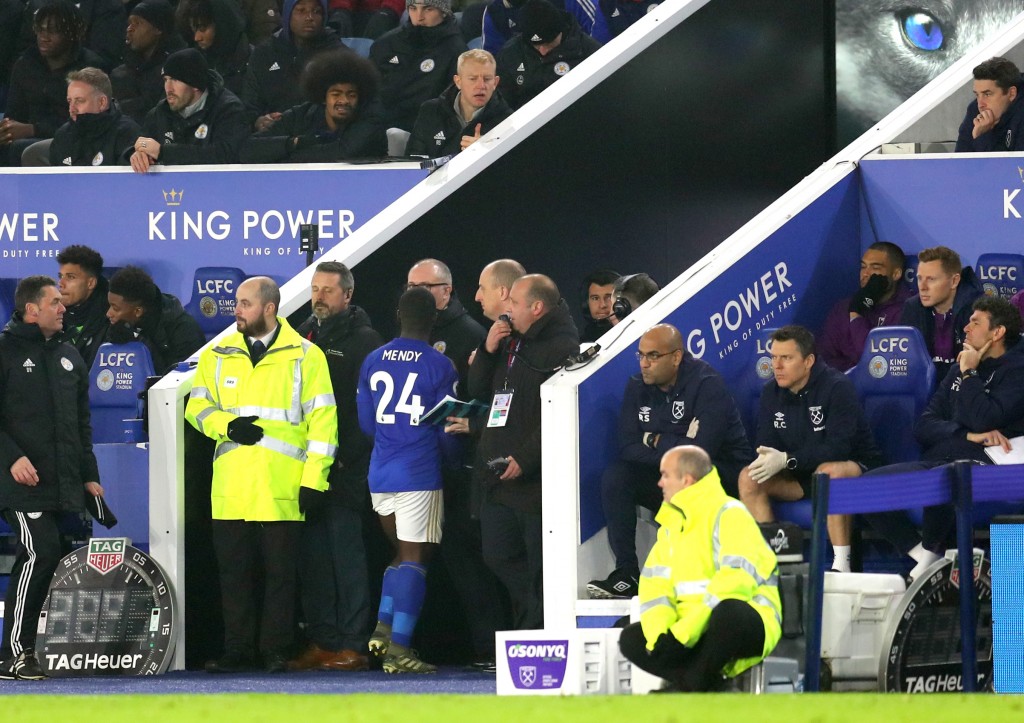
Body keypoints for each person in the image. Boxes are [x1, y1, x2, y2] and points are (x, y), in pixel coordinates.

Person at [186, 276, 337, 673]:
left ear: (270, 308)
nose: (236, 309)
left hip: (281, 487)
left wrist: (314, 480)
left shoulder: (306, 355)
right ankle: (237, 650)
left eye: (245, 303)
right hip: (232, 488)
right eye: (237, 302)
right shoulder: (217, 353)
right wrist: (226, 425)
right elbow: (196, 407)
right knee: (233, 577)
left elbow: (323, 422)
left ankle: (276, 649)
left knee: (281, 579)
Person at [587, 323, 753, 599]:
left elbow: (700, 454)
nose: (644, 364)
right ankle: (627, 573)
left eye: (653, 356)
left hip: (721, 477)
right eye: (640, 355)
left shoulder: (707, 384)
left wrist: (653, 439)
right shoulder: (637, 386)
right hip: (671, 473)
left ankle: (690, 576)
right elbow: (628, 447)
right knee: (617, 476)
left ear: (676, 357)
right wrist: (676, 442)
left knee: (687, 478)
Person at [865, 296, 1024, 581]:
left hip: (992, 469)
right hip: (944, 456)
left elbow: (985, 417)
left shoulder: (1016, 370)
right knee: (866, 487)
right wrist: (965, 434)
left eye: (975, 323)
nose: (965, 328)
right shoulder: (956, 369)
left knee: (946, 477)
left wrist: (970, 373)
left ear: (997, 333)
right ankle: (927, 557)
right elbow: (923, 425)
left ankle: (931, 562)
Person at [0, 276, 105, 681]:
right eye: (55, 302)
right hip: (17, 483)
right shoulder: (5, 350)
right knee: (39, 552)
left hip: (59, 481)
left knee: (48, 556)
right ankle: (13, 654)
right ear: (32, 309)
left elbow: (81, 423)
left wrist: (89, 475)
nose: (63, 308)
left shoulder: (69, 354)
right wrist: (11, 458)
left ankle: (20, 651)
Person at [407, 258, 507, 667]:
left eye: (426, 287)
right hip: (420, 466)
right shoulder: (408, 336)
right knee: (438, 562)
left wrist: (470, 422)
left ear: (446, 292)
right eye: (411, 286)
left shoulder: (472, 335)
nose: (415, 294)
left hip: (464, 466)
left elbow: (494, 398)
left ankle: (491, 646)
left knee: (474, 562)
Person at [618, 446, 781, 693]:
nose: (659, 483)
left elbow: (734, 585)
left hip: (744, 624)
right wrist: (663, 637)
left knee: (729, 612)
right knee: (631, 637)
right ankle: (707, 684)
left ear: (686, 480)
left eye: (665, 475)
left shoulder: (730, 514)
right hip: (691, 631)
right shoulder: (670, 528)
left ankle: (687, 686)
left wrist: (684, 634)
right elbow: (655, 593)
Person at [356, 286, 460, 673]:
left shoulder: (373, 359)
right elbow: (445, 428)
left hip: (380, 471)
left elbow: (367, 423)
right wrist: (454, 462)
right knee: (416, 558)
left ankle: (383, 631)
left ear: (398, 315)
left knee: (400, 554)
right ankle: (400, 650)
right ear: (434, 318)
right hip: (418, 470)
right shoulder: (439, 365)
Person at [467, 272, 579, 628]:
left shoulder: (563, 346)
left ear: (536, 307)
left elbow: (560, 412)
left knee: (537, 567)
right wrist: (488, 351)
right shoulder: (512, 339)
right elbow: (478, 391)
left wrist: (527, 459)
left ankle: (535, 637)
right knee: (497, 556)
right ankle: (530, 624)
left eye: (514, 304)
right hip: (498, 477)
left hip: (533, 482)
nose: (508, 311)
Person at [290, 262, 382, 672]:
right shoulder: (301, 335)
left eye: (328, 290)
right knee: (312, 557)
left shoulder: (366, 341)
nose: (319, 297)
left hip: (346, 466)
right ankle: (324, 641)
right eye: (315, 289)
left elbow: (370, 409)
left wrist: (347, 454)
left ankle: (353, 644)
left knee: (346, 556)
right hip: (307, 466)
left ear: (347, 295)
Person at [737, 325, 883, 574]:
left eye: (786, 358)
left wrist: (787, 460)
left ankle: (841, 565)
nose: (777, 366)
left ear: (808, 361)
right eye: (773, 357)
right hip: (801, 475)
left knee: (828, 472)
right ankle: (774, 560)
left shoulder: (837, 387)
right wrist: (772, 459)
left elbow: (838, 448)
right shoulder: (770, 393)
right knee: (749, 477)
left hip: (854, 469)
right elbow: (766, 444)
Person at [1, 1, 104, 166]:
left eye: (53, 31)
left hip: (75, 140)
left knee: (20, 148)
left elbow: (88, 122)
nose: (44, 37)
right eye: (40, 30)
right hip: (28, 136)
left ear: (71, 33)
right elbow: (14, 114)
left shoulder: (90, 67)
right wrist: (6, 130)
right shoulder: (25, 63)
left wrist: (33, 129)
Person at [240, 48, 386, 162]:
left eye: (351, 95)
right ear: (323, 97)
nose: (344, 100)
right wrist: (294, 143)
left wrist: (286, 157)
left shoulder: (370, 118)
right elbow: (248, 150)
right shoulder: (301, 114)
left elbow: (343, 153)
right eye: (336, 94)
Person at [128, 47, 250, 172]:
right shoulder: (160, 113)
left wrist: (164, 152)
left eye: (175, 80)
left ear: (195, 84)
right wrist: (137, 155)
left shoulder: (228, 110)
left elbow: (227, 155)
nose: (168, 88)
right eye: (166, 80)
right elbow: (139, 145)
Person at [242, 0, 344, 131]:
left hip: (320, 137)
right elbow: (249, 105)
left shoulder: (339, 55)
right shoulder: (264, 53)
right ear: (288, 13)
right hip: (271, 138)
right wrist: (258, 121)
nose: (309, 18)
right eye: (301, 10)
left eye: (316, 11)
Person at [370, 0, 467, 132]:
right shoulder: (385, 44)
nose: (419, 17)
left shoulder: (456, 51)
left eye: (428, 9)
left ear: (443, 12)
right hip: (378, 127)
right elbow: (369, 92)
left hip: (424, 133)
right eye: (413, 8)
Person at [819, 242, 915, 371]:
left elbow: (879, 363)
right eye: (863, 267)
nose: (866, 273)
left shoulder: (910, 309)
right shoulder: (843, 308)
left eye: (875, 268)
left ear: (896, 274)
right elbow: (825, 359)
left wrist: (856, 314)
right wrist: (855, 374)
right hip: (844, 387)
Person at [494, 0, 600, 111]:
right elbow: (502, 105)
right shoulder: (509, 56)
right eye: (536, 46)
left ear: (561, 32)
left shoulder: (588, 51)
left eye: (548, 44)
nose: (543, 51)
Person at [406, 48, 512, 158]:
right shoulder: (431, 111)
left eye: (487, 79)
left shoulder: (506, 121)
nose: (481, 86)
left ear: (495, 83)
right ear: (458, 82)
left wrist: (488, 153)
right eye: (473, 79)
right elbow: (412, 162)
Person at [900, 246, 984, 381]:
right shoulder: (912, 307)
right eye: (920, 278)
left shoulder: (977, 309)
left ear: (954, 281)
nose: (922, 287)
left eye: (931, 279)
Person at [105, 265, 206, 374]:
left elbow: (179, 382)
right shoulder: (120, 326)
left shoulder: (184, 331)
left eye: (115, 308)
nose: (108, 313)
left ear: (138, 311)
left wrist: (140, 342)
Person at [110, 0, 187, 124]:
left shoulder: (179, 66)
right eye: (129, 23)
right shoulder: (120, 74)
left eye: (138, 23)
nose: (130, 29)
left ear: (158, 29)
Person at [49, 66, 141, 167]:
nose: (72, 109)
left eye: (79, 101)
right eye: (70, 101)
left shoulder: (126, 133)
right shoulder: (63, 135)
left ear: (102, 102)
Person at [56, 244, 110, 368]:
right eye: (61, 276)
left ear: (90, 283)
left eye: (70, 277)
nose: (61, 283)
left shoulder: (111, 318)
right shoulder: (52, 318)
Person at [955, 56, 1024, 153]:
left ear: (1011, 93)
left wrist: (982, 136)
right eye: (977, 95)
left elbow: (1014, 166)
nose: (980, 104)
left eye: (987, 94)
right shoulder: (974, 110)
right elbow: (960, 162)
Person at [184, 0, 252, 97]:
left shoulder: (254, 62)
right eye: (194, 30)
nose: (197, 37)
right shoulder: (193, 60)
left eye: (202, 29)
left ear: (222, 25)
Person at [326, 0, 402, 40]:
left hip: (389, 14)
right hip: (352, 13)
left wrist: (387, 12)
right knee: (339, 22)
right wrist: (340, 10)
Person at [579, 268, 619, 342]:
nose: (602, 305)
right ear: (586, 303)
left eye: (609, 297)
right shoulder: (580, 348)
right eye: (595, 298)